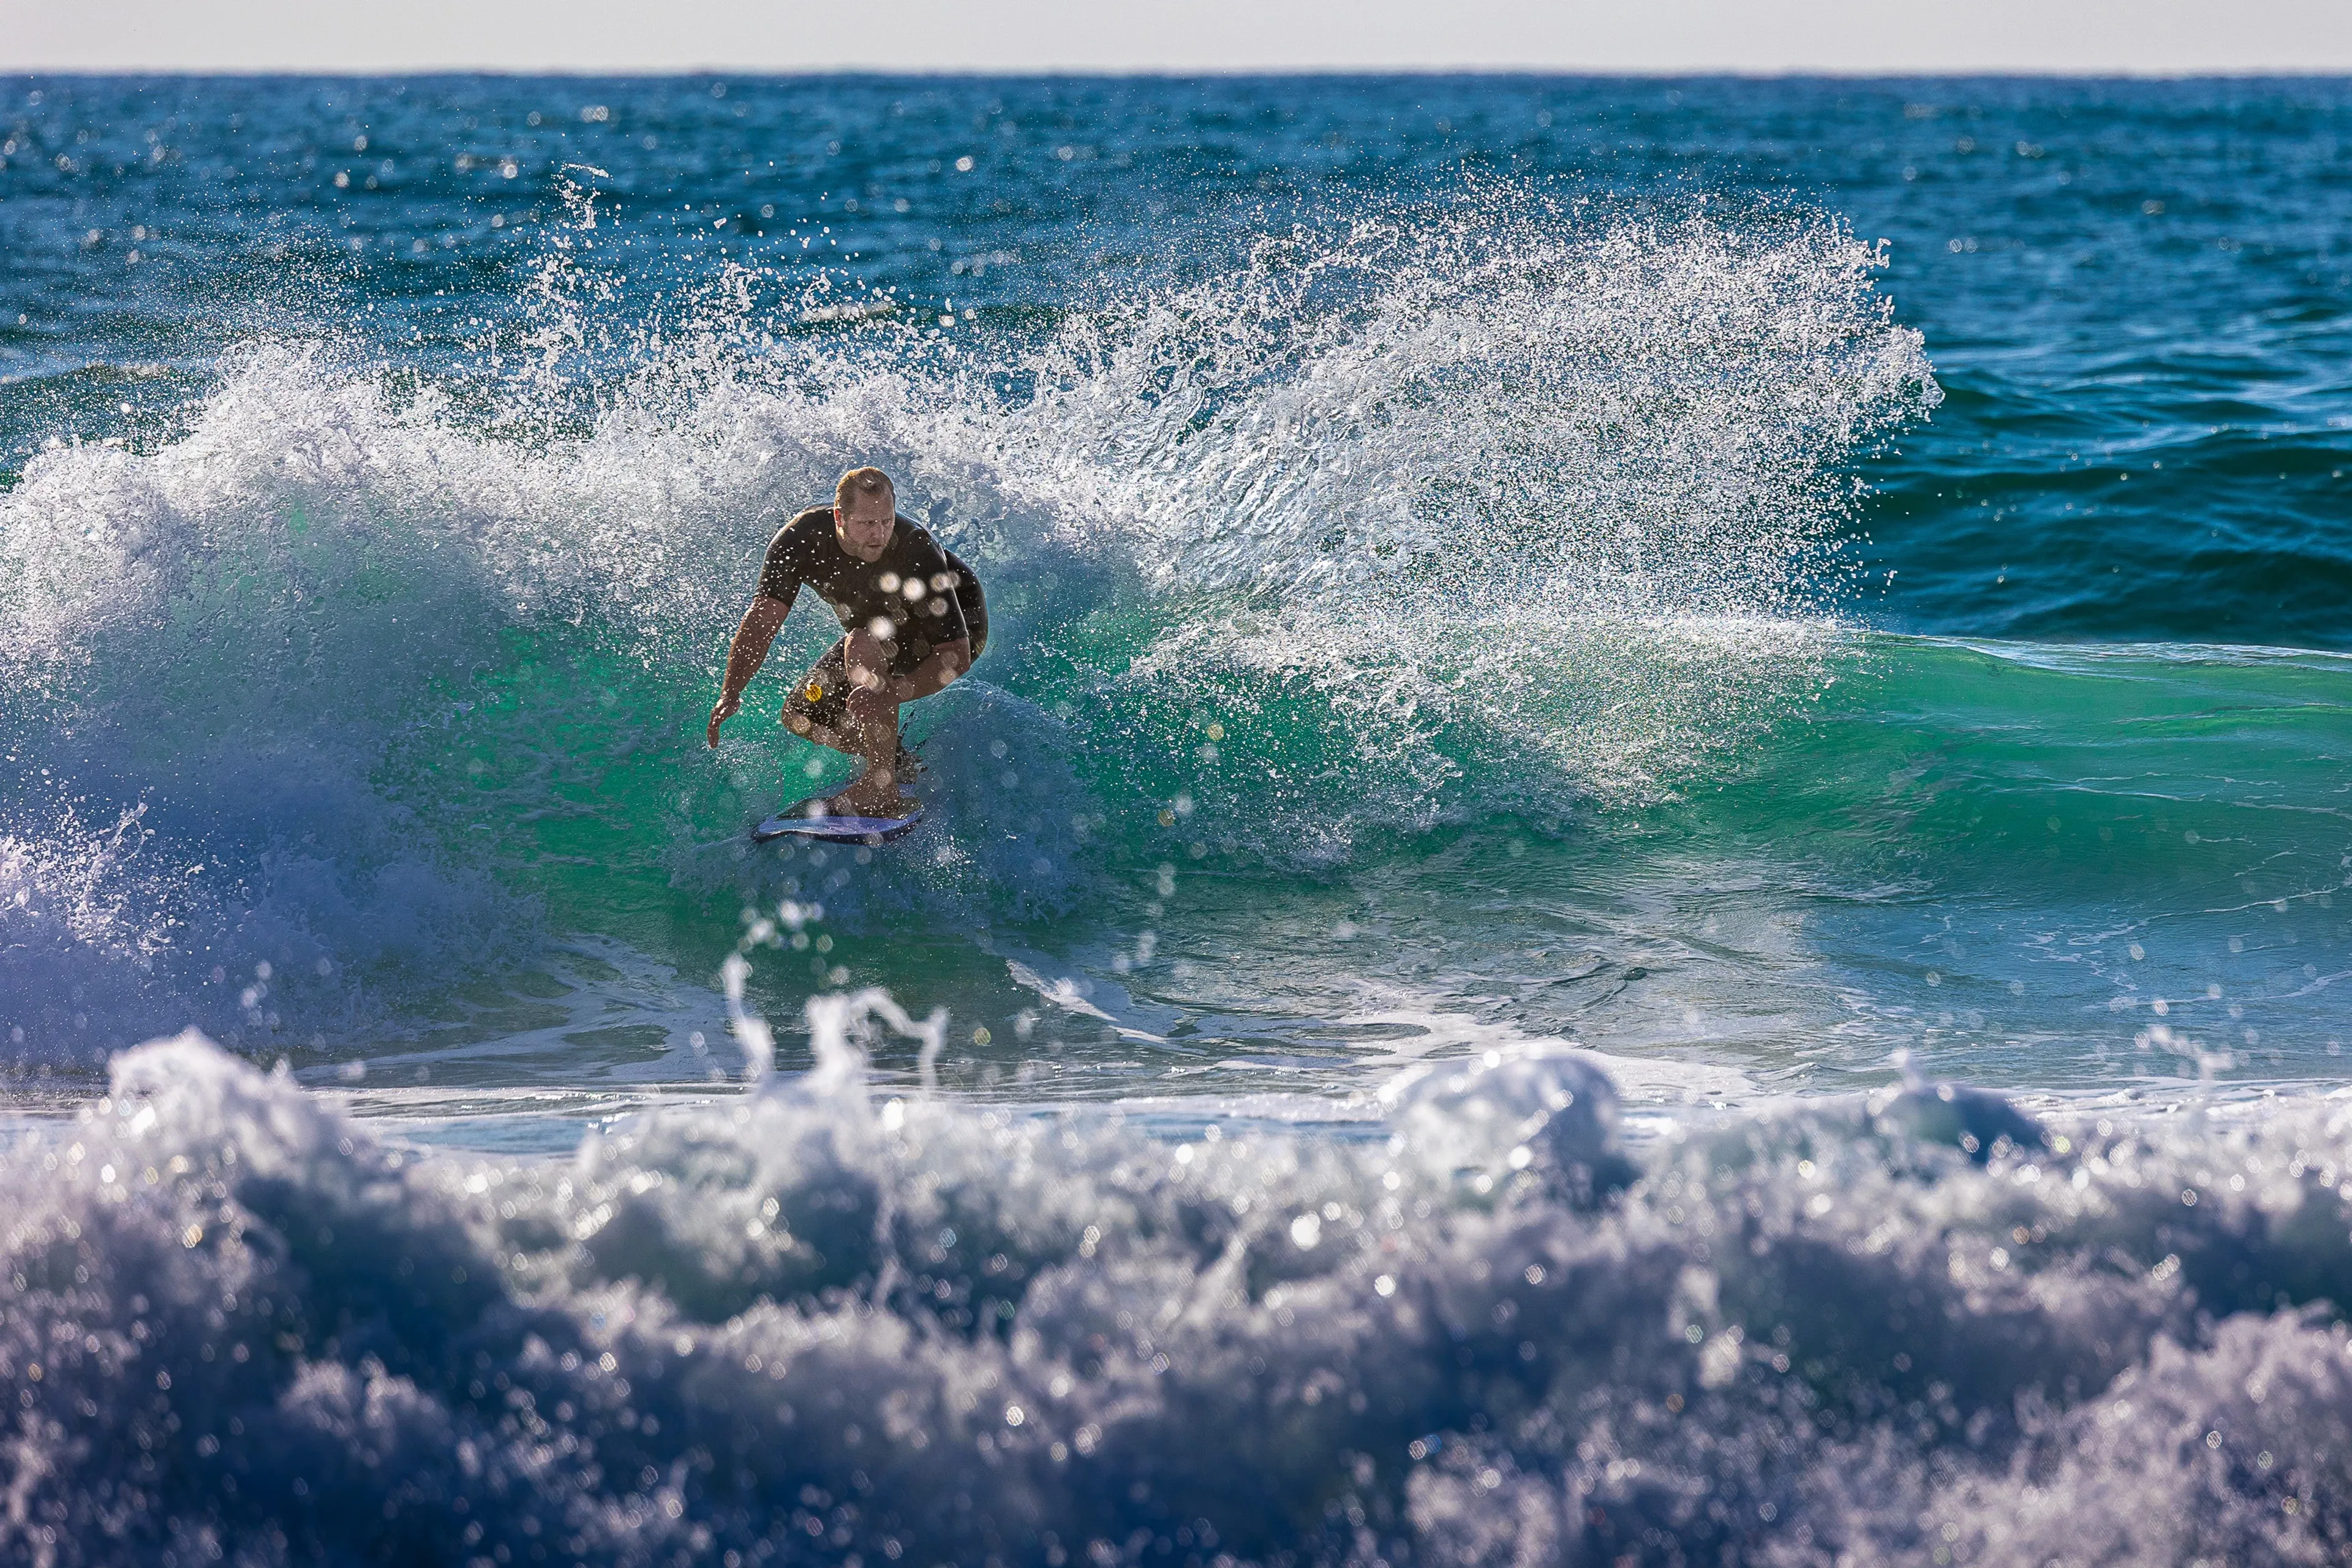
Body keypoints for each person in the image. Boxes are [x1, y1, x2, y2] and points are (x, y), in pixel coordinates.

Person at [706, 467, 987, 818]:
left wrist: (893, 692)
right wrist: (731, 693)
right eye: (867, 524)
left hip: (954, 631)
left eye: (886, 521)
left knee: (862, 642)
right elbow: (762, 621)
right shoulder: (800, 541)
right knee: (802, 714)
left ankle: (881, 788)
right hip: (880, 631)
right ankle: (897, 764)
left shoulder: (914, 546)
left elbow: (956, 656)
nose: (879, 534)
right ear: (839, 517)